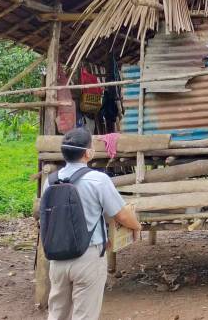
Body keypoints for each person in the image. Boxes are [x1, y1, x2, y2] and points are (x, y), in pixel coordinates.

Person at [43, 128, 141, 320]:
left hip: (57, 259)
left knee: (56, 314)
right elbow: (121, 215)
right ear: (88, 153)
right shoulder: (98, 180)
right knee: (84, 315)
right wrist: (136, 226)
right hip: (87, 257)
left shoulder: (50, 181)